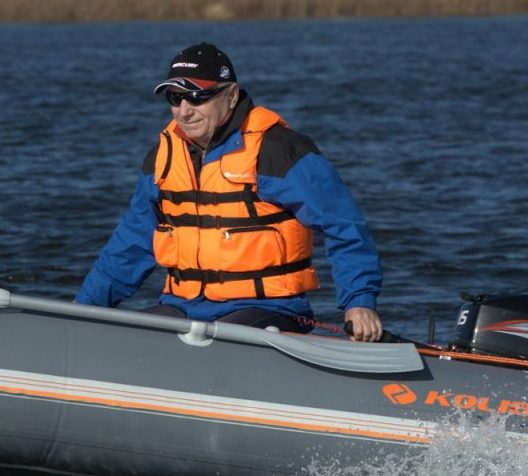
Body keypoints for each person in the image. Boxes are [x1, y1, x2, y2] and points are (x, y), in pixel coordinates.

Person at [75, 42, 385, 342]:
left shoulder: (279, 151)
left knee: (223, 340)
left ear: (231, 95)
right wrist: (82, 311)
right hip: (183, 307)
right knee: (127, 338)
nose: (184, 111)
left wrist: (359, 302)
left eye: (197, 97)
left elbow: (342, 224)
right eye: (175, 98)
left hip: (267, 309)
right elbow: (131, 244)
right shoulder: (161, 160)